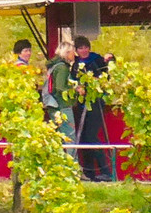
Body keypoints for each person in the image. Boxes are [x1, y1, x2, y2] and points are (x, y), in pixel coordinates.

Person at [71, 36, 112, 181]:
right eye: (80, 48)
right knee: (83, 138)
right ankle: (89, 173)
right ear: (76, 50)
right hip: (82, 104)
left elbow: (108, 73)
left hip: (96, 102)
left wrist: (110, 58)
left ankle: (106, 171)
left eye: (86, 47)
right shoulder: (75, 64)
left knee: (91, 136)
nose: (84, 50)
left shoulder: (97, 60)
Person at [44, 41, 77, 141]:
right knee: (70, 136)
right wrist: (75, 90)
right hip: (63, 106)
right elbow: (60, 87)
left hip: (54, 105)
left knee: (57, 137)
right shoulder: (63, 68)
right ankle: (71, 157)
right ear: (66, 53)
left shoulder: (54, 66)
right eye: (72, 52)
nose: (74, 54)